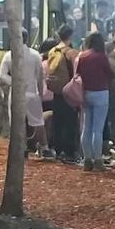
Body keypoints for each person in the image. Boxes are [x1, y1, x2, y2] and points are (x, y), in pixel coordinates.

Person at [0, 29, 54, 159]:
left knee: (16, 122)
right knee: (38, 122)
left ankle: (21, 148)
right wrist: (40, 94)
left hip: (17, 93)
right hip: (32, 92)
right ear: (27, 38)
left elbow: (1, 74)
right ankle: (45, 148)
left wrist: (15, 83)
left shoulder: (9, 55)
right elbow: (40, 77)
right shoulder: (35, 55)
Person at [76, 32, 112, 171]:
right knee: (98, 129)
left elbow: (78, 74)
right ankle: (98, 160)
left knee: (86, 127)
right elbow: (109, 73)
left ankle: (87, 159)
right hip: (101, 92)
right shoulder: (101, 57)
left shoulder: (82, 57)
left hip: (85, 93)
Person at [46, 24, 79, 163]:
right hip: (69, 91)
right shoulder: (71, 52)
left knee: (58, 121)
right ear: (70, 36)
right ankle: (69, 151)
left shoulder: (52, 51)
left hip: (56, 91)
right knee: (70, 121)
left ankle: (58, 150)